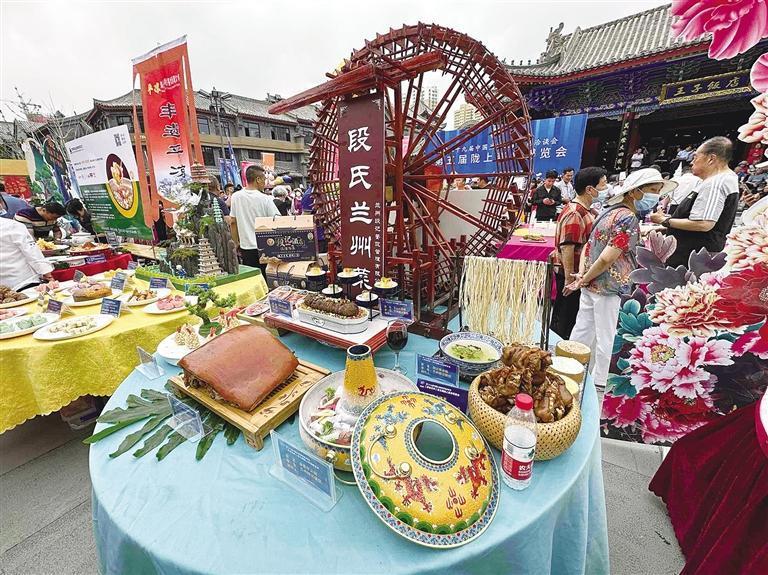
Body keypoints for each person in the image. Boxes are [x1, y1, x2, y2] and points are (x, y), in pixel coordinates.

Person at [567, 168, 676, 388]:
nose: (655, 195)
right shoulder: (627, 218)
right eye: (653, 190)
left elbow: (589, 247)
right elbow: (608, 257)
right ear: (635, 192)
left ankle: (568, 368)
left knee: (583, 330)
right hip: (609, 285)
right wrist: (584, 277)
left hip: (592, 283)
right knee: (605, 336)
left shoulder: (608, 212)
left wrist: (583, 277)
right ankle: (598, 382)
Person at [650, 137, 739, 268]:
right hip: (691, 254)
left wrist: (664, 220)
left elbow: (704, 223)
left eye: (695, 157)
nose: (692, 162)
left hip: (693, 257)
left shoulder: (716, 183)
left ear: (711, 159)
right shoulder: (715, 181)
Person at [550, 166, 605, 339]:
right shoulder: (575, 212)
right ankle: (558, 350)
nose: (606, 189)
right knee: (565, 317)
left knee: (572, 316)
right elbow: (568, 247)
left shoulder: (587, 210)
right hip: (572, 275)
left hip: (580, 275)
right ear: (590, 189)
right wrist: (569, 279)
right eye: (603, 185)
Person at [229, 165, 279, 274]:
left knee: (252, 276)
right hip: (265, 247)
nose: (265, 183)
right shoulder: (265, 199)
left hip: (246, 247)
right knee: (267, 278)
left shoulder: (236, 197)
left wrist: (236, 242)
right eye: (264, 179)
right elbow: (277, 221)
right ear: (258, 179)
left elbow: (233, 222)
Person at [0, 217, 54, 291]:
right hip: (23, 282)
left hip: (4, 291)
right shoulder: (12, 225)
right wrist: (48, 275)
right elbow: (32, 253)